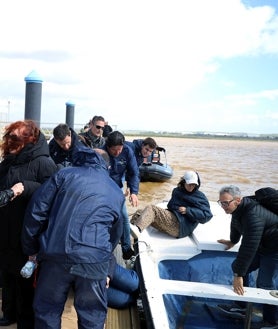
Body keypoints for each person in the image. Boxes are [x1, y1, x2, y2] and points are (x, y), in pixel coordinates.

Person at [21, 144, 125, 329]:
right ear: (107, 166)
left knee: (47, 311)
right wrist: (107, 269)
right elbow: (114, 236)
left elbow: (36, 212)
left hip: (56, 255)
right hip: (94, 260)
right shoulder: (116, 191)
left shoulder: (64, 175)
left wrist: (31, 249)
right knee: (92, 316)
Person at [0, 120, 58, 329]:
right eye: (9, 137)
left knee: (24, 281)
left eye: (15, 138)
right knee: (6, 274)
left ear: (30, 139)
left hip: (28, 231)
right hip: (5, 229)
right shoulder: (9, 161)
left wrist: (26, 187)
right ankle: (9, 313)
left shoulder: (44, 163)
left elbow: (52, 194)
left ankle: (25, 320)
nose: (10, 141)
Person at [217, 185, 278, 329]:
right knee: (237, 266)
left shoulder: (253, 215)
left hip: (275, 247)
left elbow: (249, 246)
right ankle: (242, 308)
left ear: (238, 200)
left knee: (264, 283)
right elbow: (236, 223)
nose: (223, 206)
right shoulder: (239, 209)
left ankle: (272, 321)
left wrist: (239, 274)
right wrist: (233, 240)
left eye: (226, 203)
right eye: (221, 203)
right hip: (264, 244)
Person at [130, 171, 213, 238]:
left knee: (151, 209)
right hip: (172, 220)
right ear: (184, 182)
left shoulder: (199, 196)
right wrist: (175, 209)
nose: (191, 187)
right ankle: (128, 240)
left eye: (194, 185)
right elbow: (170, 206)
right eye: (189, 184)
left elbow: (207, 215)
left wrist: (188, 210)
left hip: (181, 227)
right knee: (139, 213)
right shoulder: (177, 191)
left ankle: (137, 229)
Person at [102, 131, 140, 260]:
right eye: (114, 150)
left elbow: (134, 173)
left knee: (123, 216)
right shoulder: (101, 153)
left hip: (117, 187)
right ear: (108, 147)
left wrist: (134, 192)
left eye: (120, 149)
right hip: (103, 187)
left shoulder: (127, 151)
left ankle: (126, 248)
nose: (117, 153)